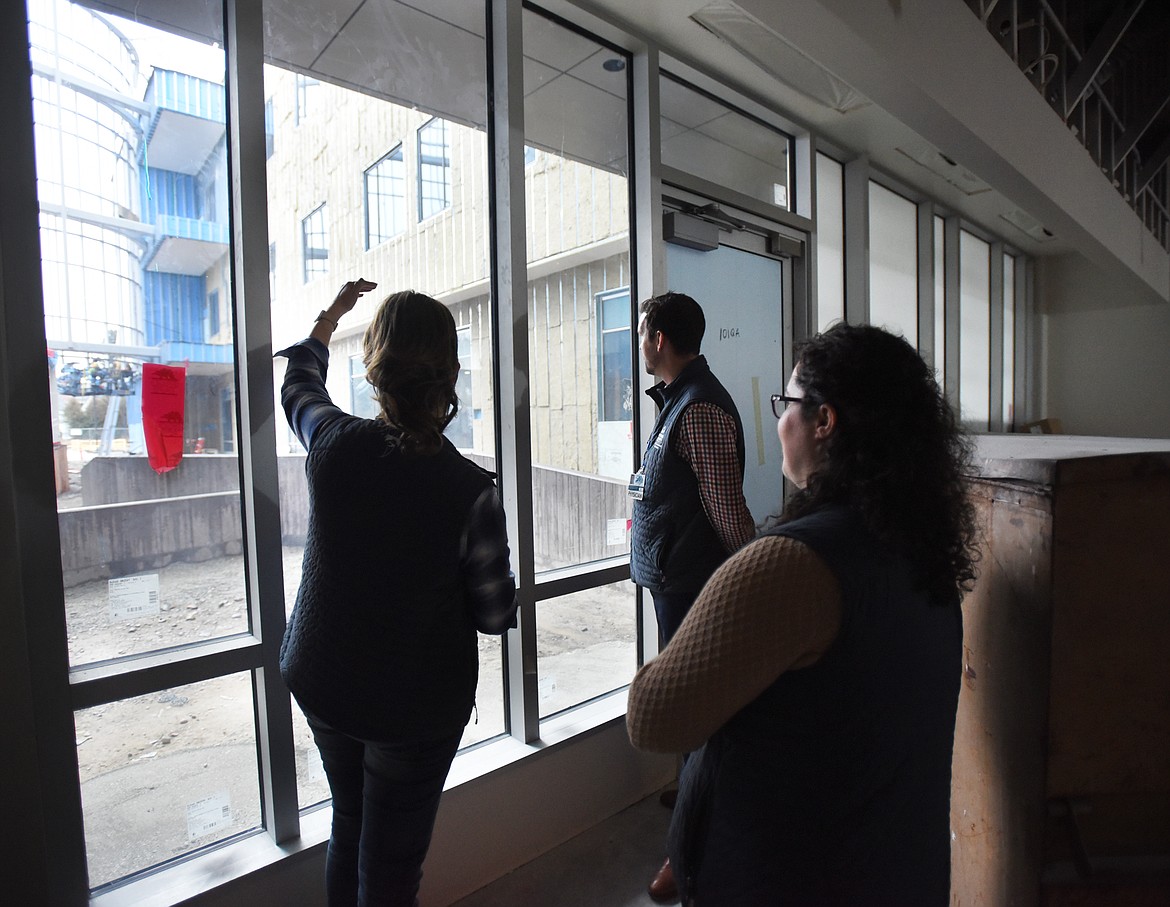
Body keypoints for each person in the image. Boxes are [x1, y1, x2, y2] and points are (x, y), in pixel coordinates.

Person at [627, 322, 978, 906]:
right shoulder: (920, 550)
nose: (778, 418)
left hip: (792, 877)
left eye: (786, 403)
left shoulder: (792, 566)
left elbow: (652, 717)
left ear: (824, 421)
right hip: (894, 869)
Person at [275, 279, 517, 907]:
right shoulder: (469, 490)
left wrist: (330, 319)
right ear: (450, 373)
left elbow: (298, 386)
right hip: (413, 710)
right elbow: (494, 614)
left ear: (373, 368)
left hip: (324, 683)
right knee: (390, 867)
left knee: (349, 825)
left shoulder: (330, 443)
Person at [628, 291, 755, 901]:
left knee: (694, 703)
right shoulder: (678, 399)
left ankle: (686, 846)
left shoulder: (698, 408)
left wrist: (751, 573)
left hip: (694, 582)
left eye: (640, 332)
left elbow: (726, 508)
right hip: (676, 577)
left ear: (658, 340)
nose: (638, 342)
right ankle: (691, 787)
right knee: (690, 706)